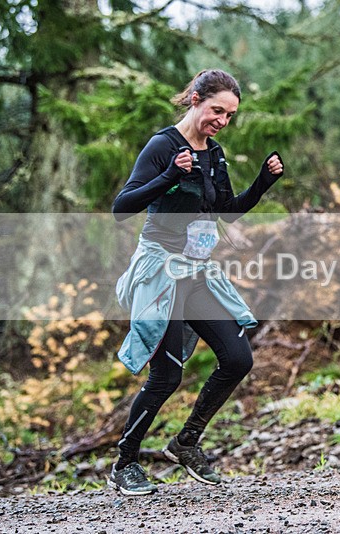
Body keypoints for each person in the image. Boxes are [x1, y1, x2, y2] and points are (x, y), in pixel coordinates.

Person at [109, 69, 284, 495]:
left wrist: (263, 182)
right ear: (195, 100)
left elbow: (226, 210)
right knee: (166, 377)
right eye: (217, 110)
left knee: (238, 358)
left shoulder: (215, 154)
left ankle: (186, 442)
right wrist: (168, 174)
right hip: (161, 274)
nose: (222, 120)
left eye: (229, 115)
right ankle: (124, 463)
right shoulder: (162, 146)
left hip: (196, 274)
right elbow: (121, 208)